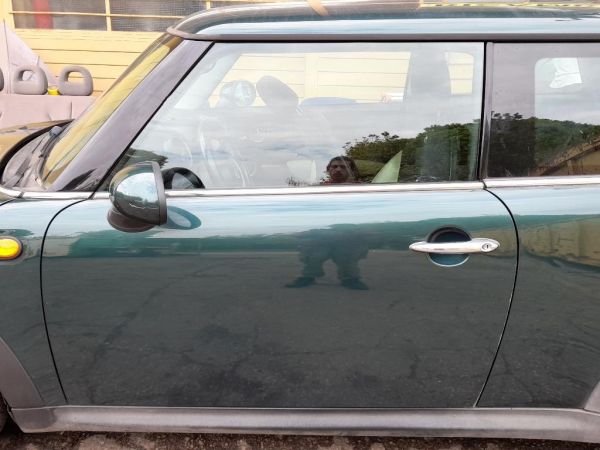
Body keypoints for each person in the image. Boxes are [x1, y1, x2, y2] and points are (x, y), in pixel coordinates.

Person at [286, 156, 369, 290]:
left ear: (351, 170)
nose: (338, 169)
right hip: (322, 231)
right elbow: (308, 210)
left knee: (347, 257)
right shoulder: (319, 189)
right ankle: (307, 277)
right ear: (328, 170)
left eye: (343, 167)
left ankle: (351, 279)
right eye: (334, 166)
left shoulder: (363, 190)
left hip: (349, 232)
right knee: (312, 255)